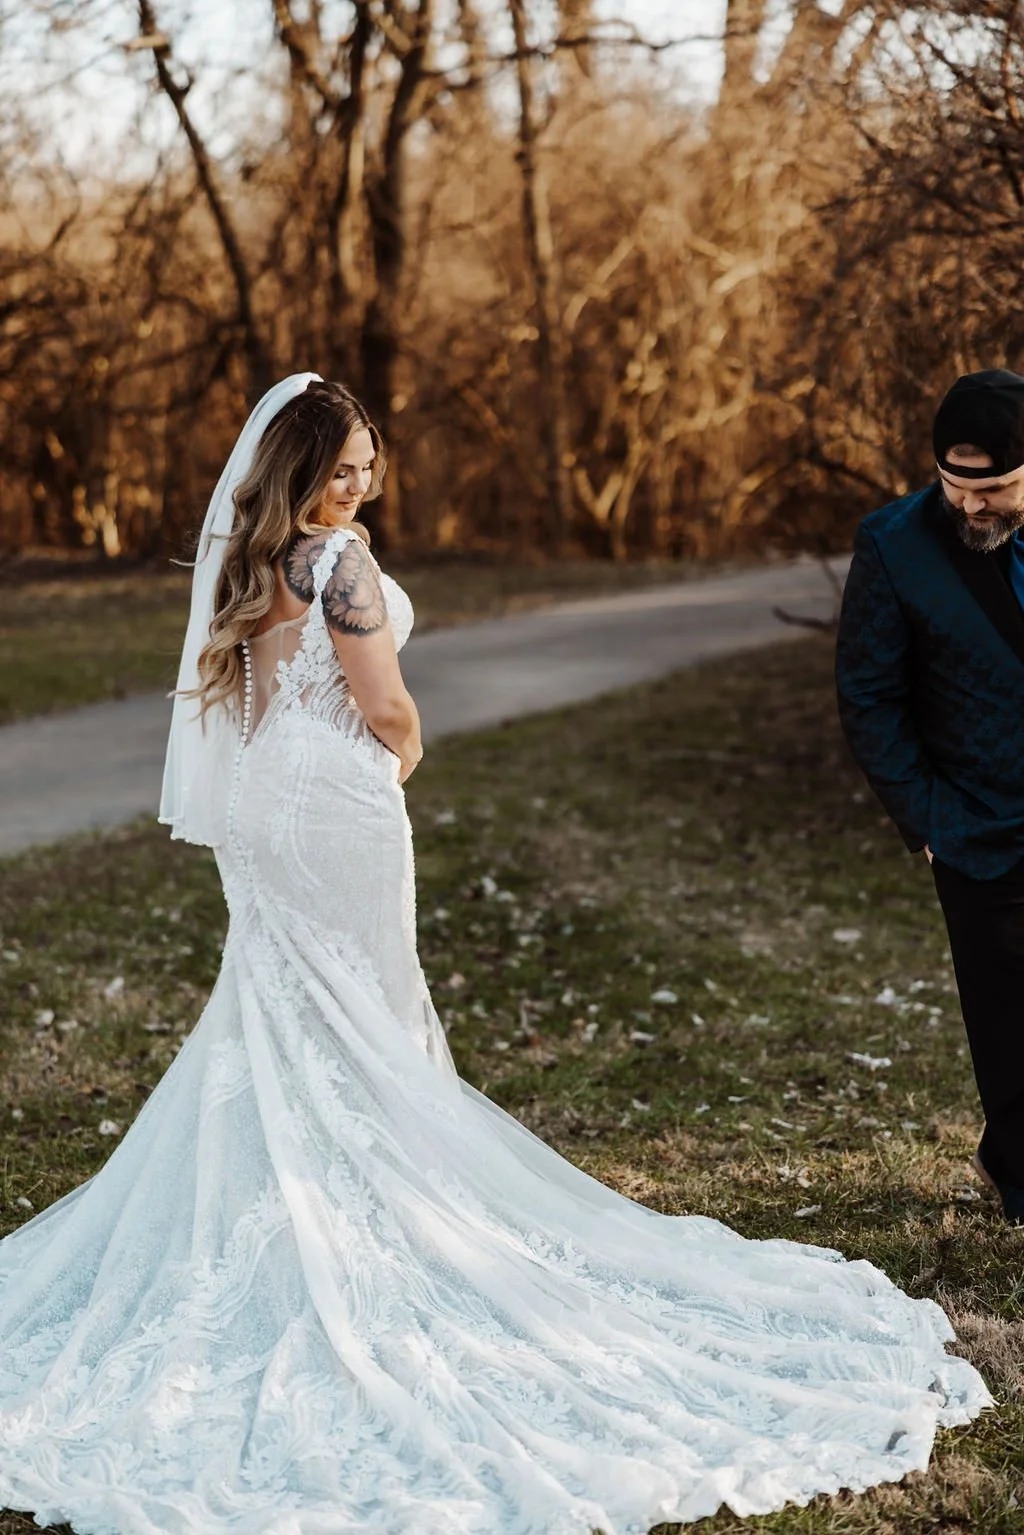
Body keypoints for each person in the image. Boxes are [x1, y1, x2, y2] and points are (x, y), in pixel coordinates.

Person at [0, 375, 988, 1535]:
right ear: (300, 470)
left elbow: (255, 694)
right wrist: (403, 755)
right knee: (369, 1013)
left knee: (284, 1009)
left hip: (265, 802)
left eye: (369, 462)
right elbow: (387, 703)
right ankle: (390, 1218)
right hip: (335, 802)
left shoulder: (250, 561)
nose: (359, 482)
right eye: (342, 466)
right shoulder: (341, 563)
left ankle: (311, 1207)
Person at [836, 367, 1024, 1227]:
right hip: (975, 820)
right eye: (956, 487)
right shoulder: (894, 542)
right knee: (1004, 1012)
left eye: (994, 491)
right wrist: (928, 822)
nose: (972, 508)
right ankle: (1015, 1169)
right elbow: (869, 696)